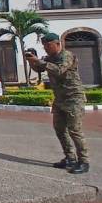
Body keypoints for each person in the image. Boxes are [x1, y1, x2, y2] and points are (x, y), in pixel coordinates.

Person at [26, 32, 89, 174]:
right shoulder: (49, 58)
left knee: (75, 131)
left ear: (57, 44)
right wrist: (32, 60)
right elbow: (39, 69)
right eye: (44, 46)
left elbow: (59, 70)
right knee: (60, 130)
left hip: (74, 98)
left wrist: (40, 61)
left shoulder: (66, 56)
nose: (46, 48)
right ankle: (69, 158)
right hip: (60, 99)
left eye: (48, 45)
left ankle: (84, 161)